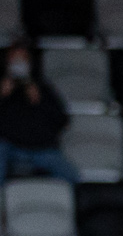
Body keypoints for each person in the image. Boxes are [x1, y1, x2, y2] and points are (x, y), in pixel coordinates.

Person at [0, 47, 79, 183]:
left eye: (22, 60)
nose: (18, 64)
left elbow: (62, 120)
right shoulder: (2, 87)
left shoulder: (42, 88)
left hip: (40, 149)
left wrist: (39, 101)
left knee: (71, 176)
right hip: (9, 148)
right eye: (14, 60)